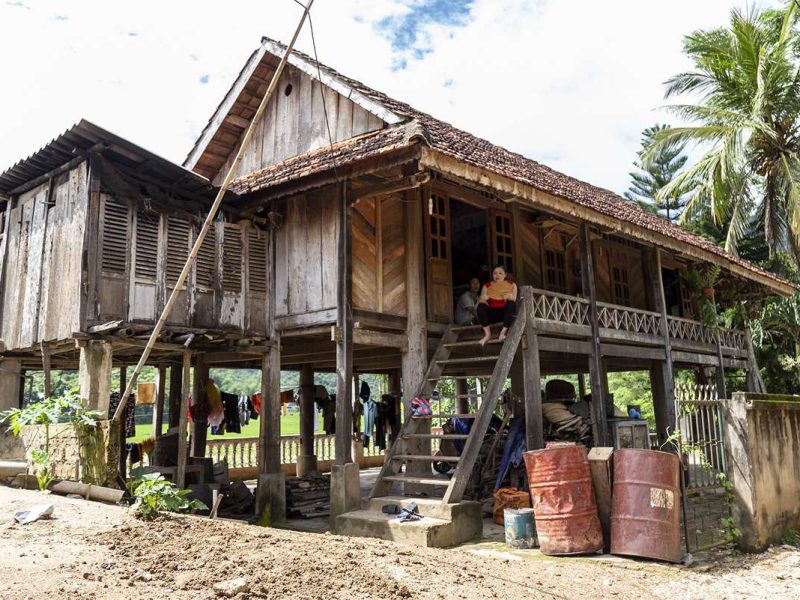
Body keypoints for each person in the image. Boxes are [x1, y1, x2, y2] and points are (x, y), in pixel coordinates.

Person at [477, 265, 517, 345]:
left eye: (500, 273)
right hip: (492, 314)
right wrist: (484, 299)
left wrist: (509, 297)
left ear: (505, 274)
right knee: (480, 307)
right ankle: (487, 334)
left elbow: (514, 299)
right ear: (492, 275)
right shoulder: (487, 286)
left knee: (512, 304)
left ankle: (503, 333)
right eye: (495, 273)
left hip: (504, 314)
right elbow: (481, 301)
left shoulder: (512, 284)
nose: (497, 275)